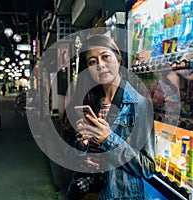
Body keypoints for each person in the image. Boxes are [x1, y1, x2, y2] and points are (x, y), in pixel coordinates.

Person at [61, 34, 155, 199]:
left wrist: (108, 139)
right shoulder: (89, 102)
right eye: (92, 62)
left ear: (118, 60)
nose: (100, 65)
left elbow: (147, 168)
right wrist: (82, 148)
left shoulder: (140, 105)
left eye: (105, 57)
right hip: (88, 193)